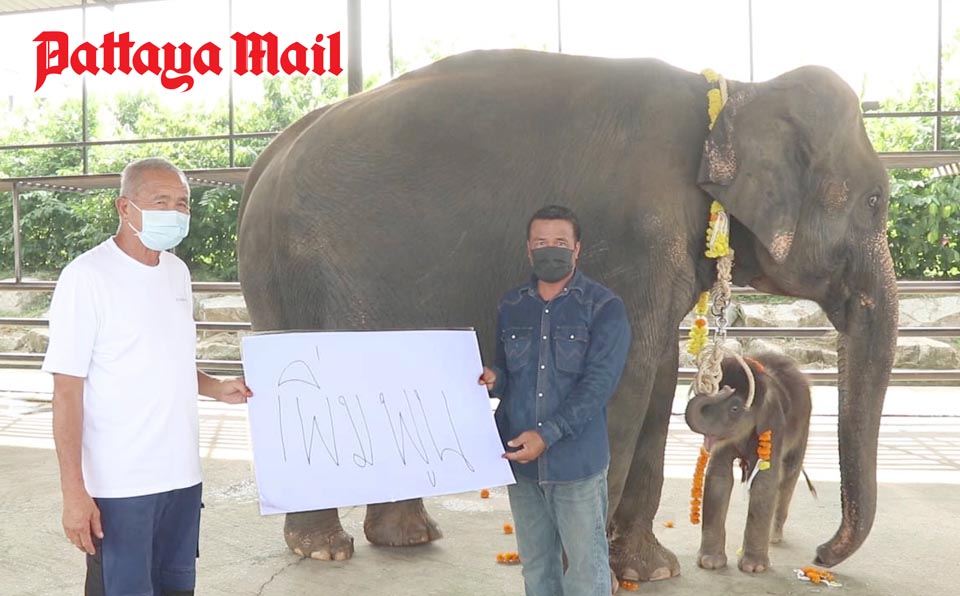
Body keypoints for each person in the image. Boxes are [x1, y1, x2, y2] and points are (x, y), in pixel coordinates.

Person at [42, 157, 253, 596]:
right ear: (124, 207)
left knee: (177, 586)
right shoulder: (86, 278)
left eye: (182, 203)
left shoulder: (177, 273)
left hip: (181, 476)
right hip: (121, 485)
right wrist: (74, 494)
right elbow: (66, 394)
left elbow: (167, 358)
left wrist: (215, 387)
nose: (175, 213)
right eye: (161, 201)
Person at [479, 205, 631, 596]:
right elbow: (506, 374)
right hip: (521, 464)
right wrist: (493, 380)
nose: (551, 250)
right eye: (542, 242)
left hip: (576, 464)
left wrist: (548, 434)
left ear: (577, 249)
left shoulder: (604, 308)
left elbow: (598, 385)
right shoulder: (512, 306)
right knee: (537, 566)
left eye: (560, 242)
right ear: (529, 249)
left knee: (586, 568)